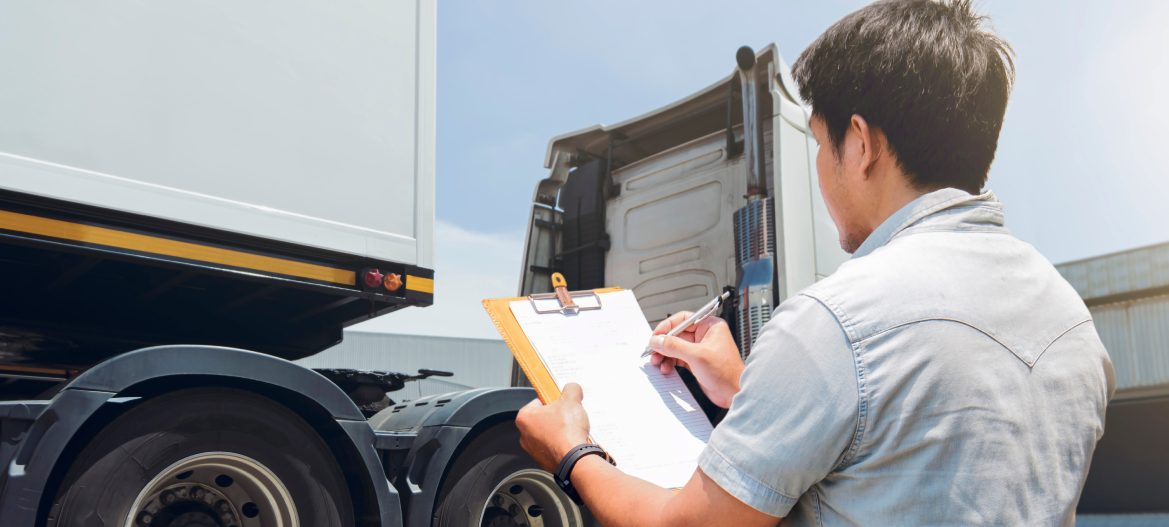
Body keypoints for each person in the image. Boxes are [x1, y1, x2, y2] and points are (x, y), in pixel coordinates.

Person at [515, 0, 1115, 525]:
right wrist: (748, 387)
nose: (823, 166)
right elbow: (906, 447)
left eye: (822, 145)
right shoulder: (1071, 321)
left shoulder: (839, 322)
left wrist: (573, 452)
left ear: (860, 144)